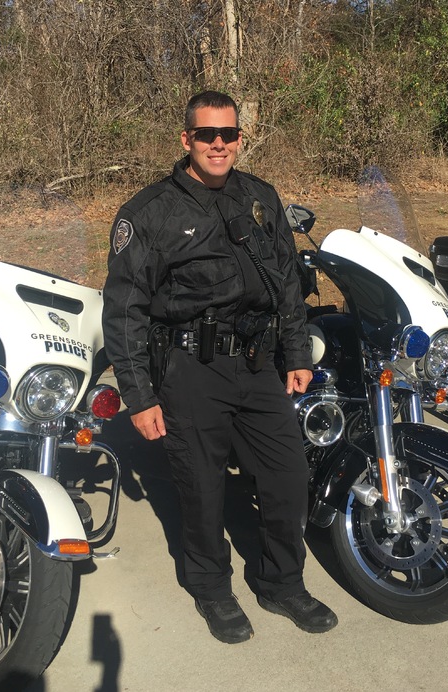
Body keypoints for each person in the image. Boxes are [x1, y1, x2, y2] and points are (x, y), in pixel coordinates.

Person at [102, 90, 337, 644]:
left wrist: (296, 353)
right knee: (202, 488)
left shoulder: (260, 197)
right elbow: (125, 310)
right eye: (206, 134)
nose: (218, 144)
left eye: (228, 134)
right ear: (186, 139)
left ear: (239, 138)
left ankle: (281, 582)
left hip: (257, 362)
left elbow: (286, 280)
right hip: (189, 367)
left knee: (287, 475)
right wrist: (139, 396)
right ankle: (210, 588)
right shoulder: (149, 212)